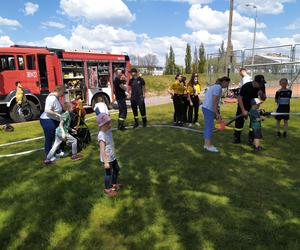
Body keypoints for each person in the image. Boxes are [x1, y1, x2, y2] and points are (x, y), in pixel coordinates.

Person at [233, 75, 267, 144]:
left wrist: (262, 95)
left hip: (253, 107)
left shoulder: (262, 87)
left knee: (254, 122)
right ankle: (237, 138)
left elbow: (264, 98)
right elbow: (239, 98)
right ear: (254, 81)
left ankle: (251, 139)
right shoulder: (246, 86)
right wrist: (243, 110)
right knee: (239, 121)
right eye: (260, 83)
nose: (261, 85)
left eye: (262, 83)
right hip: (243, 105)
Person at [202, 76, 230, 153]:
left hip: (207, 108)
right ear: (224, 81)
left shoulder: (216, 86)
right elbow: (214, 101)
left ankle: (206, 144)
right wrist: (216, 113)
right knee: (209, 126)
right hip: (208, 108)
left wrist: (217, 112)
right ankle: (208, 145)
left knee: (208, 126)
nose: (227, 85)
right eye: (227, 83)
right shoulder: (218, 87)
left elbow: (216, 101)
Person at [97, 113, 121, 197]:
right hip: (107, 159)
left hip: (112, 156)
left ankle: (114, 183)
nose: (110, 125)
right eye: (108, 123)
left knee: (117, 169)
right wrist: (106, 162)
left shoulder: (108, 131)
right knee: (108, 174)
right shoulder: (101, 135)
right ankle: (108, 189)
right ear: (102, 125)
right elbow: (102, 150)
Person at [40, 86, 65, 160]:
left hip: (53, 120)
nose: (63, 94)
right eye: (63, 93)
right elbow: (47, 110)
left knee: (57, 136)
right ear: (59, 91)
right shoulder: (52, 98)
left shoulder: (56, 97)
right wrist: (57, 114)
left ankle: (58, 152)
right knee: (49, 139)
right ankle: (49, 156)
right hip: (47, 120)